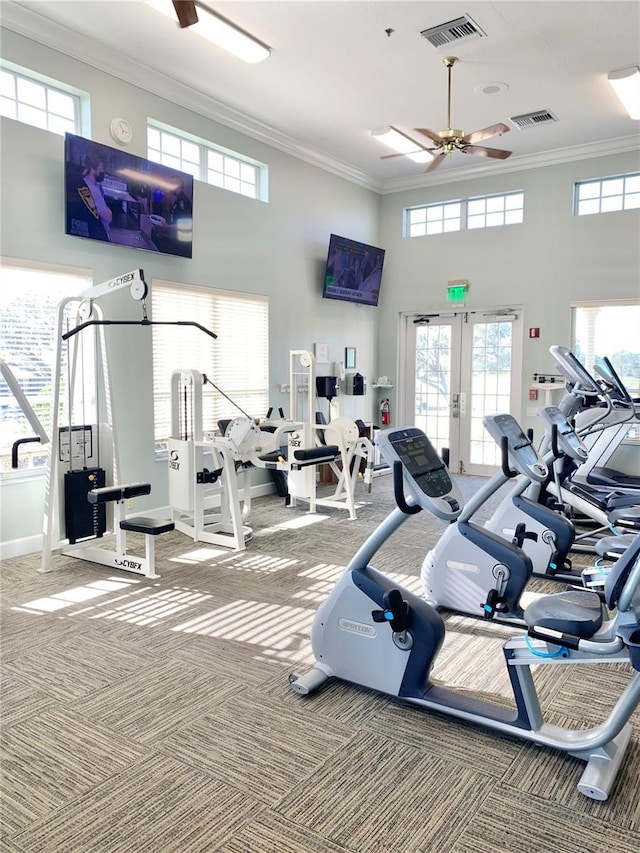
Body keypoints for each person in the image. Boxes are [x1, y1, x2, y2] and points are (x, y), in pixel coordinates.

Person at [66, 147, 112, 241]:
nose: (103, 172)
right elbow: (108, 217)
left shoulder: (88, 183)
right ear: (93, 168)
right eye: (101, 168)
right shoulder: (91, 189)